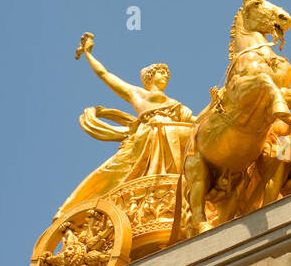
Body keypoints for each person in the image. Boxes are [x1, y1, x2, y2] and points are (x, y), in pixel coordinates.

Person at [50, 33, 195, 224]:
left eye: (167, 72)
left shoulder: (176, 104)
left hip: (174, 134)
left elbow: (194, 121)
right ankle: (76, 210)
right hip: (149, 137)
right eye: (161, 72)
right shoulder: (138, 94)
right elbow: (105, 75)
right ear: (150, 77)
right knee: (112, 171)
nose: (166, 74)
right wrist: (88, 54)